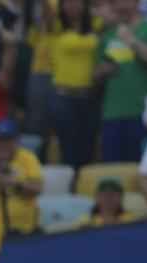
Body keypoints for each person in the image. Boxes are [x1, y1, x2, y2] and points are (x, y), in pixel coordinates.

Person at [95, 0, 147, 162]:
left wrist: (132, 41)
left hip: (143, 113)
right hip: (112, 114)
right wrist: (103, 71)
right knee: (112, 169)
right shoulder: (108, 34)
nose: (119, 5)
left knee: (140, 168)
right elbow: (96, 73)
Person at [45, 0, 100, 169]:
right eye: (67, 2)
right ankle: (70, 189)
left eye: (77, 2)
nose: (72, 5)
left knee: (89, 149)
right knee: (68, 150)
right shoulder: (54, 26)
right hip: (63, 97)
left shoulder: (97, 25)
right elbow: (44, 9)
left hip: (90, 96)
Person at [0, 118, 43, 236]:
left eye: (8, 140)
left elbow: (38, 189)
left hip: (25, 230)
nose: (4, 145)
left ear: (16, 141)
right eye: (0, 140)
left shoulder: (28, 158)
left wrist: (17, 183)